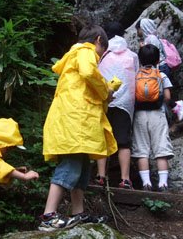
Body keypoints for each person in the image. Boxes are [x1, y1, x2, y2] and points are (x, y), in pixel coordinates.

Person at [39, 24, 118, 231]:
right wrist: (105, 90)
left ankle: (78, 212)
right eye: (103, 51)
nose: (100, 56)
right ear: (98, 40)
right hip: (75, 121)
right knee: (70, 166)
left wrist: (105, 92)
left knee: (82, 167)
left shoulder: (76, 55)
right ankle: (48, 215)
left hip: (77, 121)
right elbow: (88, 72)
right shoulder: (85, 51)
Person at [94, 21, 139, 189]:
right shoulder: (132, 55)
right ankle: (125, 179)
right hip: (125, 102)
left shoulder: (101, 54)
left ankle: (100, 176)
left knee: (102, 138)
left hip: (105, 99)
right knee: (123, 141)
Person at [131, 44, 174, 192]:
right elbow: (167, 97)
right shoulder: (161, 75)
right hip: (157, 114)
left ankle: (146, 183)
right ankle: (163, 184)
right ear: (157, 60)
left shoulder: (135, 75)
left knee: (142, 149)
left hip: (139, 115)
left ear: (140, 60)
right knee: (160, 148)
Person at [135, 18, 183, 121]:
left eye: (138, 29)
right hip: (160, 67)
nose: (138, 32)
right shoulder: (151, 38)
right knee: (160, 92)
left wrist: (143, 48)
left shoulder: (151, 38)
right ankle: (170, 113)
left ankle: (175, 106)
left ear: (143, 27)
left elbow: (153, 55)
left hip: (160, 67)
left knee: (160, 92)